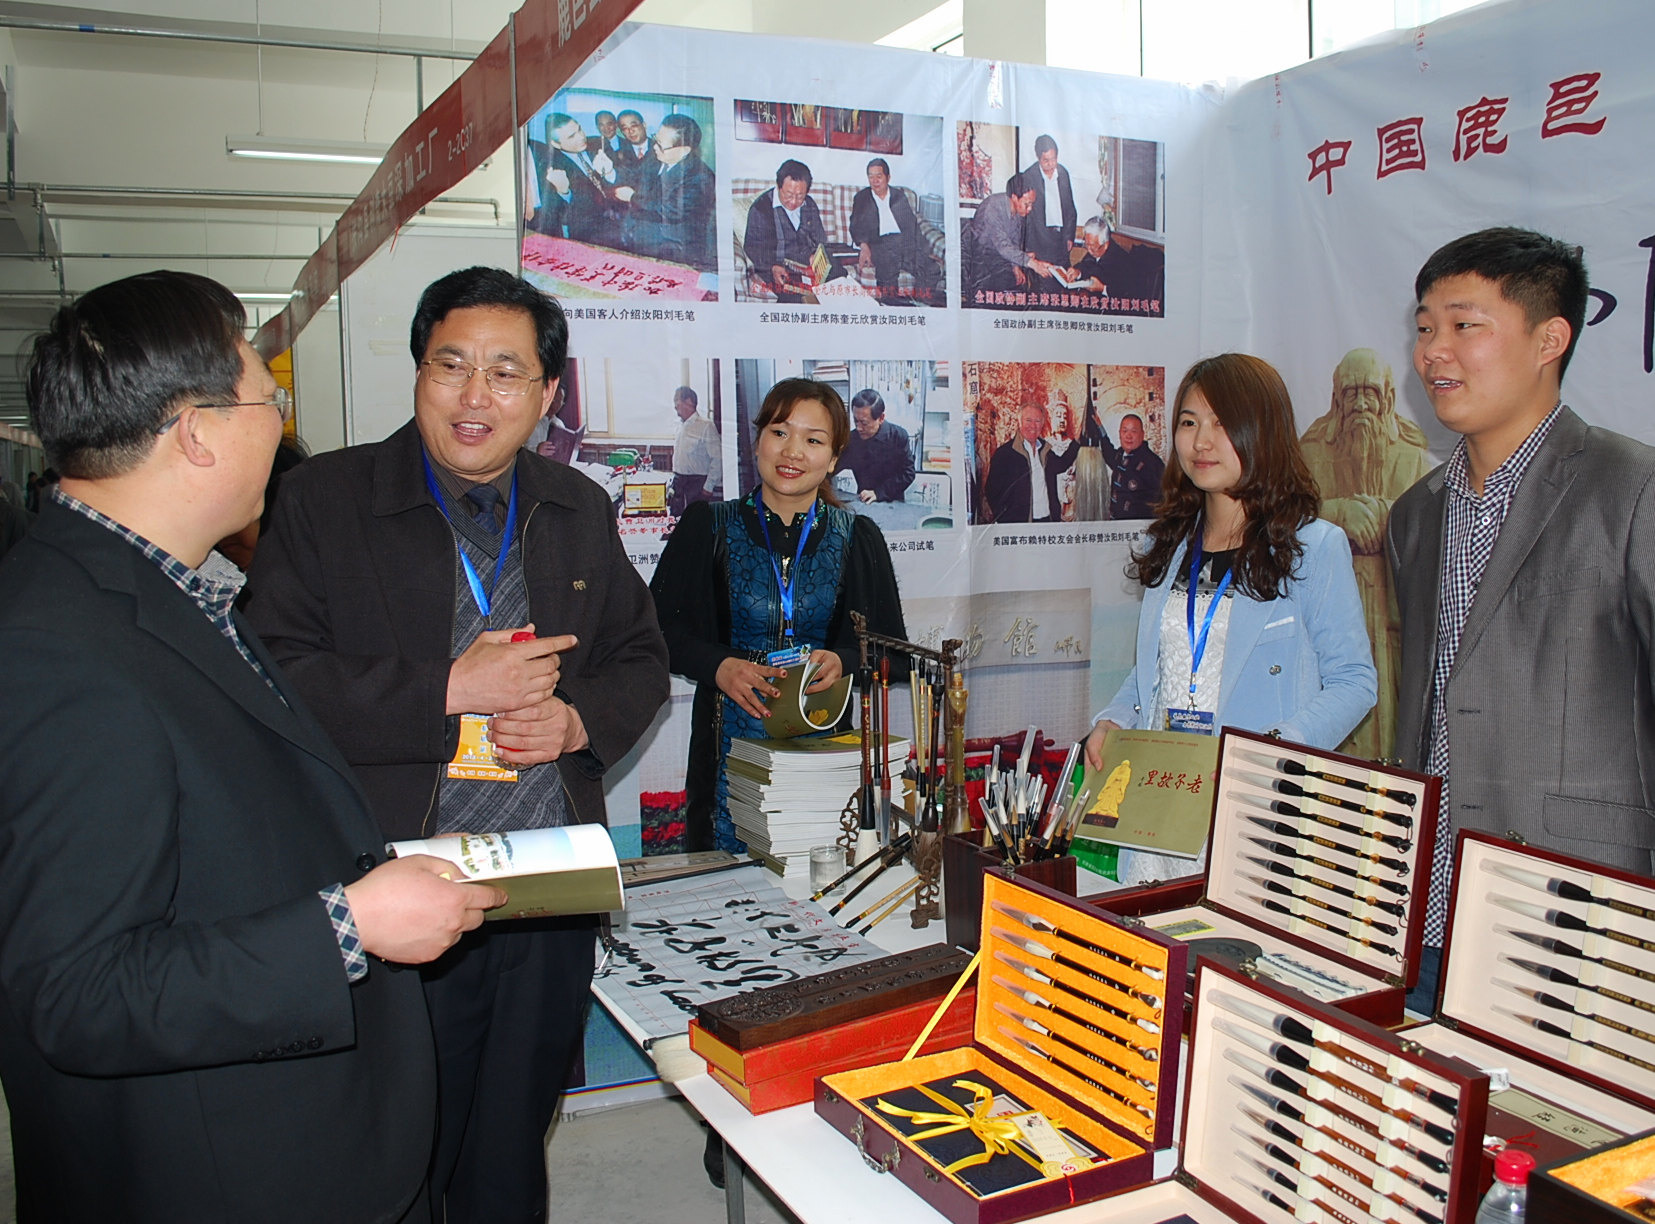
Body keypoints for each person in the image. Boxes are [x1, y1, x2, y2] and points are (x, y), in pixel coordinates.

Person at [0, 270, 505, 1222]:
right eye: (267, 401)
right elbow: (74, 993)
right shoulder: (56, 650)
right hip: (225, 1173)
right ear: (197, 432)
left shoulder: (169, 591)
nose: (278, 426)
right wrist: (349, 925)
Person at [244, 266, 669, 1224]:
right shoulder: (324, 499)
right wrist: (446, 689)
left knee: (514, 1135)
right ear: (418, 372)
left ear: (546, 395)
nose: (476, 396)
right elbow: (272, 675)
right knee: (401, 1142)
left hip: (545, 882)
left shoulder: (576, 506)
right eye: (452, 365)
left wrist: (576, 722)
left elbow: (639, 658)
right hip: (396, 884)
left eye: (506, 373)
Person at [1390, 227, 1655, 1013]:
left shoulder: (1630, 488)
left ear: (1549, 339)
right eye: (1424, 327)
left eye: (1463, 325)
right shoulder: (1414, 514)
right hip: (1427, 909)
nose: (1433, 352)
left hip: (1580, 912)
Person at [1084, 353, 1376, 885]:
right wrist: (1115, 718)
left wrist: (1272, 751)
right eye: (1189, 422)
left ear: (1262, 431)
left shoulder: (1312, 547)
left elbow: (1355, 682)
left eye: (1221, 424)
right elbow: (1159, 667)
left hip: (1253, 806)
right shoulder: (1168, 542)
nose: (1201, 442)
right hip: (1160, 803)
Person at [649, 377, 907, 854]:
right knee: (728, 882)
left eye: (813, 440)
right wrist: (718, 666)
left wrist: (845, 660)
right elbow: (655, 633)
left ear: (834, 458)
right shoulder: (709, 527)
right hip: (726, 750)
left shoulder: (857, 538)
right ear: (758, 441)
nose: (793, 452)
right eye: (780, 432)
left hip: (822, 755)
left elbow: (894, 652)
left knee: (820, 873)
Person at [1299, 348, 1434, 762]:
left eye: (1370, 393)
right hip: (1328, 604)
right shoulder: (1309, 455)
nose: (1360, 405)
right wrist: (1337, 513)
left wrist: (1384, 515)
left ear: (1387, 397)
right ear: (1336, 400)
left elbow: (1436, 527)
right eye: (1350, 393)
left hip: (1391, 606)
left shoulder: (1413, 456)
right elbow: (1282, 517)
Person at [617, 114, 716, 272]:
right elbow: (635, 176)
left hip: (673, 251)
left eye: (661, 145)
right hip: (639, 235)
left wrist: (632, 197)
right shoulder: (658, 155)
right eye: (655, 140)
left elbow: (669, 210)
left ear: (684, 150)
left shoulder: (701, 177)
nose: (655, 147)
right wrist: (610, 172)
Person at [743, 158, 836, 303]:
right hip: (777, 267)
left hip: (806, 265)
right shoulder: (761, 209)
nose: (793, 202)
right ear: (778, 186)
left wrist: (815, 255)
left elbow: (820, 238)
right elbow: (753, 248)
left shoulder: (809, 204)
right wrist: (772, 266)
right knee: (798, 298)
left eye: (800, 196)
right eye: (788, 195)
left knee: (839, 279)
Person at [849, 157, 939, 305]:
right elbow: (855, 225)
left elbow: (912, 225)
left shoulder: (899, 196)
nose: (875, 181)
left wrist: (925, 250)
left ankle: (920, 302)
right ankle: (891, 306)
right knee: (888, 272)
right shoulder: (862, 198)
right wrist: (864, 246)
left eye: (879, 176)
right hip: (879, 243)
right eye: (871, 177)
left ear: (888, 177)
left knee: (931, 268)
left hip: (903, 242)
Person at [961, 175, 1061, 301]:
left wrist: (1016, 266)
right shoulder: (992, 208)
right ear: (1014, 197)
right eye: (1027, 204)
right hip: (979, 260)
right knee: (995, 296)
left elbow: (1014, 240)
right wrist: (1033, 264)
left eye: (1032, 204)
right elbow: (1003, 245)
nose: (1030, 209)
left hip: (999, 258)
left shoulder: (1018, 211)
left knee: (1021, 288)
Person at [981, 399, 1081, 523]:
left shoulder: (1045, 450)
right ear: (1019, 422)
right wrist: (1006, 519)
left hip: (1047, 521)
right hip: (1020, 525)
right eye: (1028, 420)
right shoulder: (1005, 454)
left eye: (1037, 421)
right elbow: (992, 490)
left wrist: (1078, 441)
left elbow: (1061, 465)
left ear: (1043, 423)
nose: (1033, 426)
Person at [527, 112, 618, 246]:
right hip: (589, 233)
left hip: (622, 220)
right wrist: (564, 192)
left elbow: (628, 177)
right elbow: (557, 214)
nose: (581, 137)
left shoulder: (600, 143)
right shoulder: (551, 165)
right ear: (556, 144)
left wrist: (610, 172)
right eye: (571, 136)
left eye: (579, 129)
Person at [1077, 406, 1165, 520]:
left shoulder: (1153, 464)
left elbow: (1163, 501)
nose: (1128, 436)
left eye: (1134, 431)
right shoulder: (1120, 455)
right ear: (1119, 434)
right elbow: (1108, 453)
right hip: (1117, 524)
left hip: (1138, 526)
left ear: (1143, 434)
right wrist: (1100, 427)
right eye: (1125, 431)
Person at [841, 388, 915, 504]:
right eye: (856, 421)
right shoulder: (852, 439)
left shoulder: (898, 436)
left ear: (881, 418)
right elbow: (833, 466)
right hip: (863, 501)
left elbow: (908, 474)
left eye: (864, 423)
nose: (859, 428)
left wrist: (878, 493)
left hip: (892, 502)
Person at [1022, 134, 1077, 287]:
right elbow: (1026, 217)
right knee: (1043, 286)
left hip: (1060, 239)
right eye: (1046, 160)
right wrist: (1029, 247)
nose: (1051, 164)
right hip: (1040, 240)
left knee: (1063, 283)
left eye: (1054, 159)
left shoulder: (1063, 173)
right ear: (1038, 158)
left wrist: (1069, 236)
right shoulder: (1029, 176)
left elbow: (1070, 208)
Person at [669, 384, 721, 516]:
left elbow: (717, 459)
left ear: (689, 402)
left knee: (695, 523)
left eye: (677, 401)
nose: (675, 406)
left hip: (697, 485)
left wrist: (708, 487)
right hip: (679, 483)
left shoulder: (706, 426)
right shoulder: (679, 426)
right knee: (677, 521)